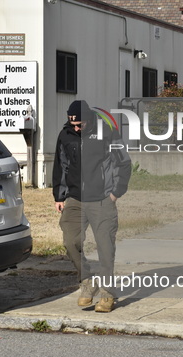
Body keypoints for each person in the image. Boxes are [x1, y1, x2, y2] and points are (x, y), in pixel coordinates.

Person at [52, 100, 131, 312]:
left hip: (102, 199)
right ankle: (87, 281)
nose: (76, 128)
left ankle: (107, 294)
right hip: (75, 199)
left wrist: (116, 193)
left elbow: (123, 161)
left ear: (89, 119)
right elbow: (61, 165)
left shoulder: (107, 132)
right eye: (73, 124)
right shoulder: (66, 135)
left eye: (80, 124)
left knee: (105, 248)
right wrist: (60, 196)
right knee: (70, 242)